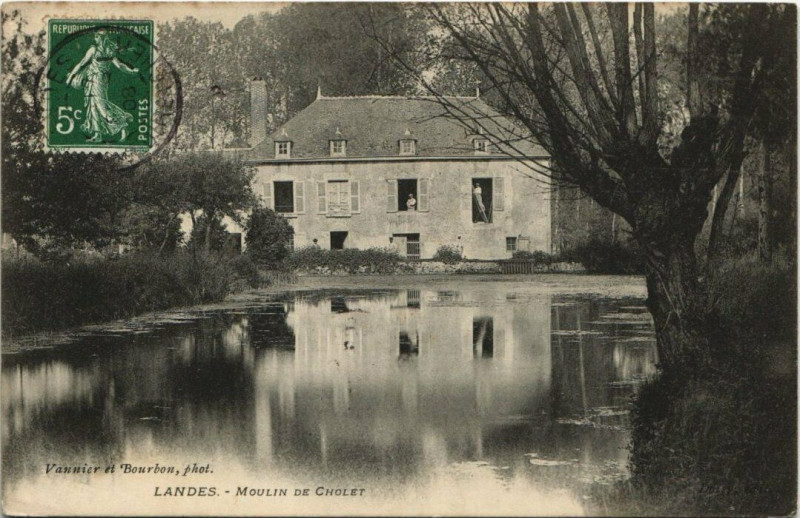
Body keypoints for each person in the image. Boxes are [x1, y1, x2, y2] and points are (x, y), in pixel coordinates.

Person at [65, 30, 138, 143]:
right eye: (97, 36)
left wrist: (131, 70)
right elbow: (82, 63)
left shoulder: (109, 50)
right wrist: (71, 77)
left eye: (99, 36)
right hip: (92, 79)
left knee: (101, 106)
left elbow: (119, 65)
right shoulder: (94, 49)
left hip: (100, 81)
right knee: (93, 106)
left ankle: (123, 125)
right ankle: (97, 135)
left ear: (103, 38)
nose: (97, 38)